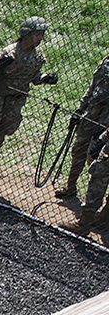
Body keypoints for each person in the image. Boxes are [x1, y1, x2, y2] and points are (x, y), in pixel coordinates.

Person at [0, 19, 58, 192]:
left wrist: (45, 78)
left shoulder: (38, 55)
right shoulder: (9, 52)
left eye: (42, 34)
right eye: (38, 34)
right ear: (26, 34)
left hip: (15, 102)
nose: (41, 37)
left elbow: (34, 78)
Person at [61, 56, 109, 204]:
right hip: (90, 113)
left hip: (105, 120)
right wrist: (80, 110)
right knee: (78, 149)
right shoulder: (106, 60)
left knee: (95, 159)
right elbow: (92, 86)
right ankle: (70, 188)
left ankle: (91, 202)